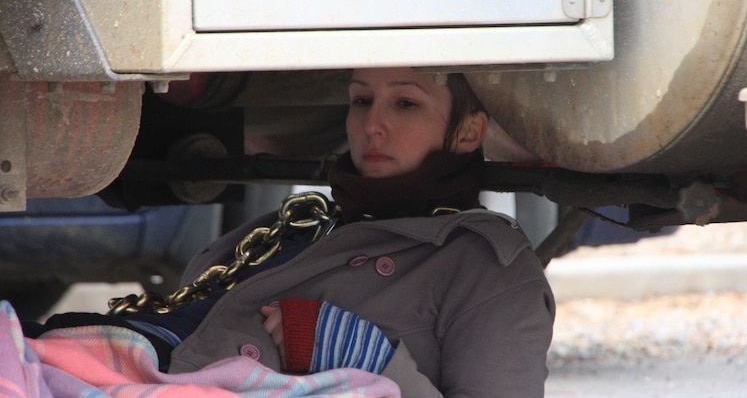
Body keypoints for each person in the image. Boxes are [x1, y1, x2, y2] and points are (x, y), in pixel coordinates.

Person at [30, 68, 556, 397]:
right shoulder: (288, 227)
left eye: (405, 104)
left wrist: (372, 362)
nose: (372, 124)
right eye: (360, 100)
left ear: (468, 131)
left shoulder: (488, 269)